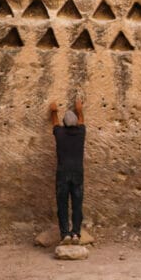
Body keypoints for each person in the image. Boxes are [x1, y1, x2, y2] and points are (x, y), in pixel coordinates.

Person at [49, 98, 85, 244]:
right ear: (76, 123)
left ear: (64, 124)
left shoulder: (60, 134)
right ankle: (76, 233)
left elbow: (55, 121)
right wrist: (79, 108)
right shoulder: (81, 133)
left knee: (62, 205)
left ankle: (65, 235)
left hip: (62, 174)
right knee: (77, 204)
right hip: (77, 173)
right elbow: (82, 119)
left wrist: (53, 111)